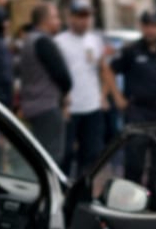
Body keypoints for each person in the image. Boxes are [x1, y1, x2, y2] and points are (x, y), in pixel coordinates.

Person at [55, 0, 112, 176]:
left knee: (91, 154)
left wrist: (103, 95)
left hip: (92, 106)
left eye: (87, 16)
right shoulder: (59, 42)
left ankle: (83, 192)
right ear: (70, 17)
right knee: (64, 153)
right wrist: (62, 102)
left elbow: (103, 69)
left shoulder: (95, 40)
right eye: (80, 16)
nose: (84, 21)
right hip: (70, 108)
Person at [18, 2, 72, 164]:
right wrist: (65, 93)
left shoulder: (29, 40)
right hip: (46, 106)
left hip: (33, 105)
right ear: (44, 21)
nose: (59, 21)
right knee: (51, 157)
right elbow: (62, 76)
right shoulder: (43, 42)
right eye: (55, 17)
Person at [109, 11, 156, 125]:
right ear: (141, 27)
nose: (150, 30)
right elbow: (110, 71)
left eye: (154, 26)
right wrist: (117, 97)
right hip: (138, 111)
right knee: (137, 142)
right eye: (147, 26)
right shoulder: (131, 50)